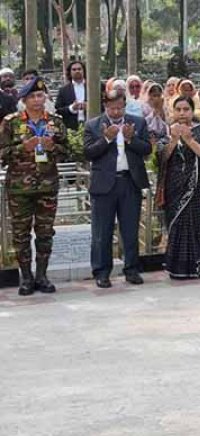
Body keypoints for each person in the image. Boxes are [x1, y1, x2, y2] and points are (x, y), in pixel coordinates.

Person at [0, 77, 69, 296]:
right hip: (20, 188)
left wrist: (52, 147)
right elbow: (1, 154)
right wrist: (22, 147)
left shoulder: (56, 122)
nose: (38, 100)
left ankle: (42, 275)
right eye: (32, 96)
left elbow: (68, 151)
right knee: (21, 234)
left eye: (41, 95)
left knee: (45, 233)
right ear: (24, 100)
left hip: (47, 186)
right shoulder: (11, 122)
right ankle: (26, 278)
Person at [84, 90, 152, 288]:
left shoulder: (137, 122)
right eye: (112, 108)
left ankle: (131, 269)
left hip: (130, 182)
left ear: (124, 105)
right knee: (102, 232)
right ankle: (102, 272)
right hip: (104, 185)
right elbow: (88, 153)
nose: (116, 112)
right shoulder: (93, 125)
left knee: (130, 230)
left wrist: (131, 139)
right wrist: (106, 139)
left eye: (119, 108)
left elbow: (147, 149)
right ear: (105, 106)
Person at [157, 96, 200, 279]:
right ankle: (176, 267)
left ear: (192, 111)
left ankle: (197, 265)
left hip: (196, 189)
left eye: (186, 109)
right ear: (173, 112)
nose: (182, 113)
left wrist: (189, 139)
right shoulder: (167, 131)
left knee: (195, 224)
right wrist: (174, 140)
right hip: (173, 187)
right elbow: (161, 158)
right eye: (178, 110)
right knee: (176, 225)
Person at [55, 60, 87, 130]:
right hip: (71, 128)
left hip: (90, 125)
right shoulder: (63, 90)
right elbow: (57, 110)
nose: (77, 71)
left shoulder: (94, 88)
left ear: (84, 71)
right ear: (70, 72)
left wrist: (89, 107)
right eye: (74, 69)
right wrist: (71, 108)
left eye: (79, 69)